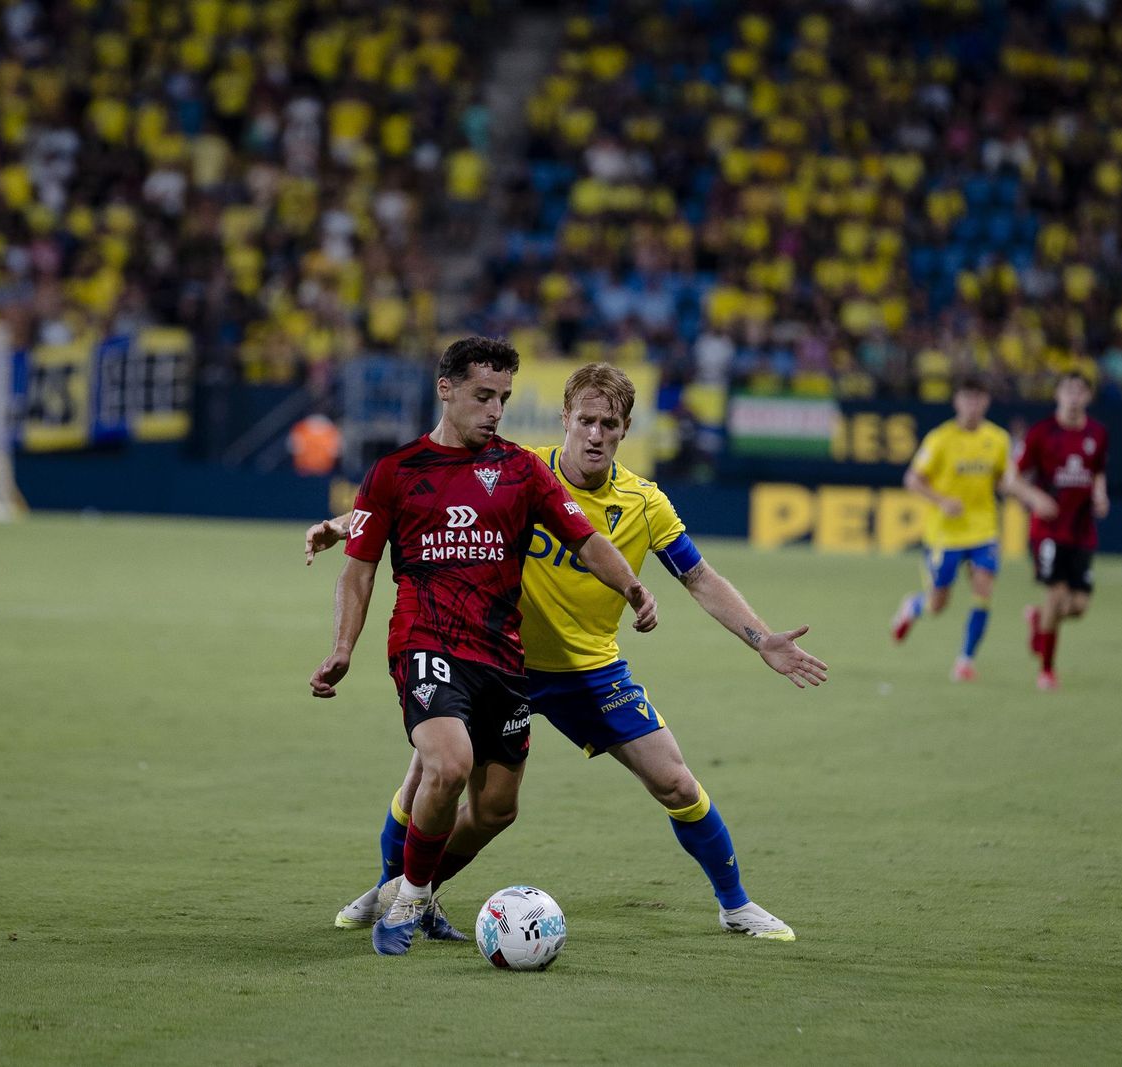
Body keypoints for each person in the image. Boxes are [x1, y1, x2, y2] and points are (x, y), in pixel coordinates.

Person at [308, 362, 827, 941]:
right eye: (586, 420)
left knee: (676, 782)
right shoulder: (515, 468)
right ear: (566, 420)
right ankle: (389, 893)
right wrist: (341, 522)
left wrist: (761, 639)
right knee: (430, 778)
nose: (596, 434)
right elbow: (427, 503)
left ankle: (736, 905)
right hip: (495, 658)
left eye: (610, 423)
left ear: (626, 429)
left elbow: (699, 577)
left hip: (588, 670)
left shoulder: (645, 503)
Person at [309, 340, 658, 958]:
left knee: (496, 809)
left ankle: (414, 888)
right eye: (482, 396)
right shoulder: (394, 472)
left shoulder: (524, 470)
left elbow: (585, 537)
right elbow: (358, 570)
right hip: (426, 638)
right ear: (445, 389)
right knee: (447, 764)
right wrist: (342, 648)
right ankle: (412, 897)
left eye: (503, 398)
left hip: (501, 655)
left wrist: (632, 586)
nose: (495, 410)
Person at [891, 377, 1057, 681]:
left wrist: (1030, 498)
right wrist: (941, 501)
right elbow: (912, 479)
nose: (972, 405)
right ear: (957, 402)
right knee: (938, 604)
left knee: (983, 590)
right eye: (966, 398)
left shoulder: (997, 439)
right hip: (945, 533)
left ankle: (965, 661)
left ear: (986, 402)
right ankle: (912, 606)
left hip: (983, 530)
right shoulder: (940, 438)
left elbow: (1006, 480)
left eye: (977, 398)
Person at [1017, 371, 1110, 691]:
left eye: (1079, 391)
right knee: (1056, 594)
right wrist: (1035, 498)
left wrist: (1100, 494)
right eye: (1067, 390)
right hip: (1048, 529)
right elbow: (1014, 478)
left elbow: (1097, 472)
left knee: (1078, 607)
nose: (1073, 396)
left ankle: (1037, 620)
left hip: (1082, 529)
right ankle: (1047, 670)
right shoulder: (1041, 433)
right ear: (1057, 395)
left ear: (1088, 397)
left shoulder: (1098, 434)